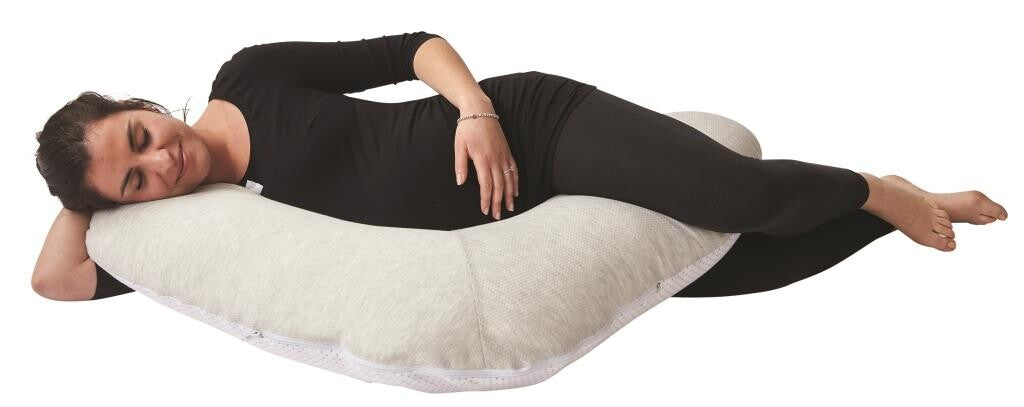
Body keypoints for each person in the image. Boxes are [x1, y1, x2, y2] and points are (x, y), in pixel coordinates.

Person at [31, 32, 1009, 301]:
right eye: (133, 179)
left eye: (138, 136)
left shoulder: (247, 76)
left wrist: (476, 111)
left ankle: (879, 185)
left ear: (141, 105)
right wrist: (79, 190)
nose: (159, 160)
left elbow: (410, 46)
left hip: (533, 131)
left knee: (739, 195)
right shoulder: (194, 231)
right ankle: (892, 213)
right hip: (523, 232)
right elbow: (55, 279)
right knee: (728, 270)